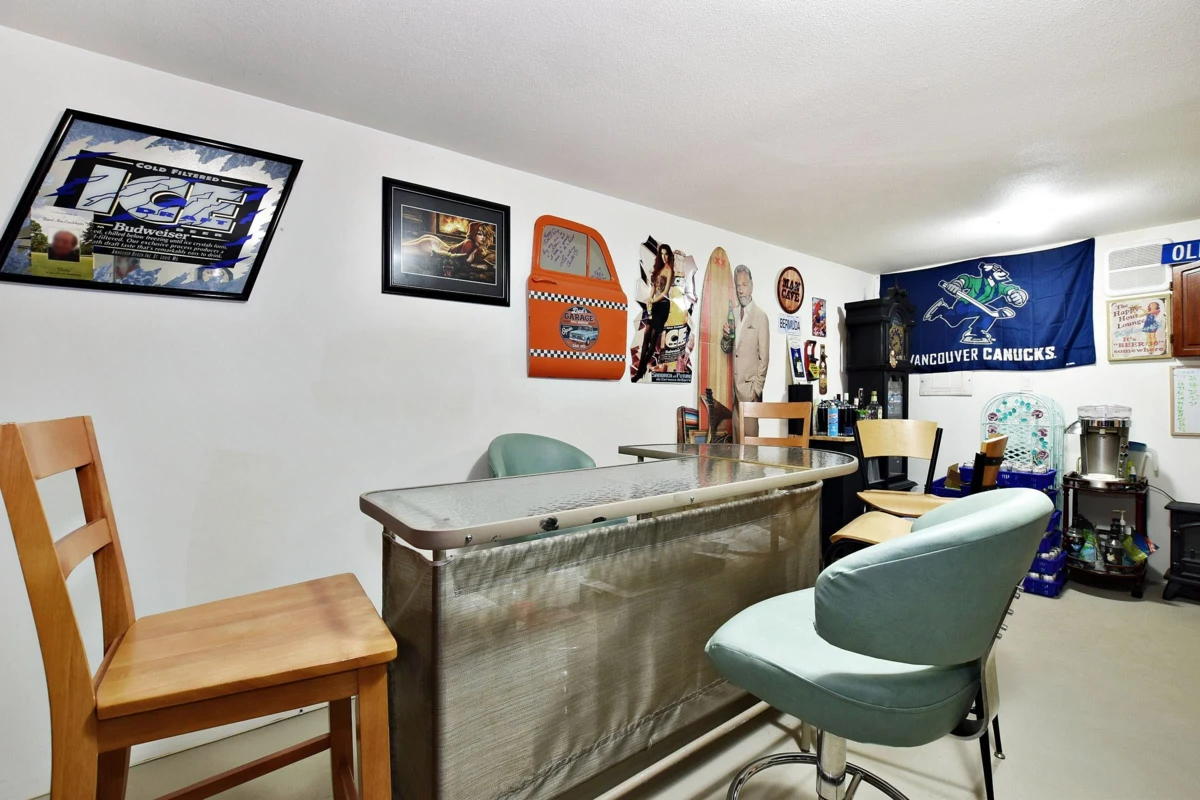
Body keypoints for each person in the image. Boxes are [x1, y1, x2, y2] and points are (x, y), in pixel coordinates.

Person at [721, 265, 770, 439]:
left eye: (744, 285)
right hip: (735, 395)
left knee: (750, 451)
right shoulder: (733, 313)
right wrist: (726, 337)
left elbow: (764, 358)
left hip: (750, 394)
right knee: (736, 449)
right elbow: (727, 349)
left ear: (751, 286)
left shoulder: (760, 317)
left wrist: (756, 390)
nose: (741, 290)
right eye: (738, 286)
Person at [632, 244, 675, 382]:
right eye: (662, 254)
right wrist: (650, 299)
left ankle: (640, 370)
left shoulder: (669, 271)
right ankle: (641, 369)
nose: (664, 256)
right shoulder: (658, 269)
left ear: (669, 255)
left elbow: (665, 292)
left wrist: (654, 299)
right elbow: (654, 288)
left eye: (666, 254)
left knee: (653, 336)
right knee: (646, 334)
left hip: (663, 305)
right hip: (655, 304)